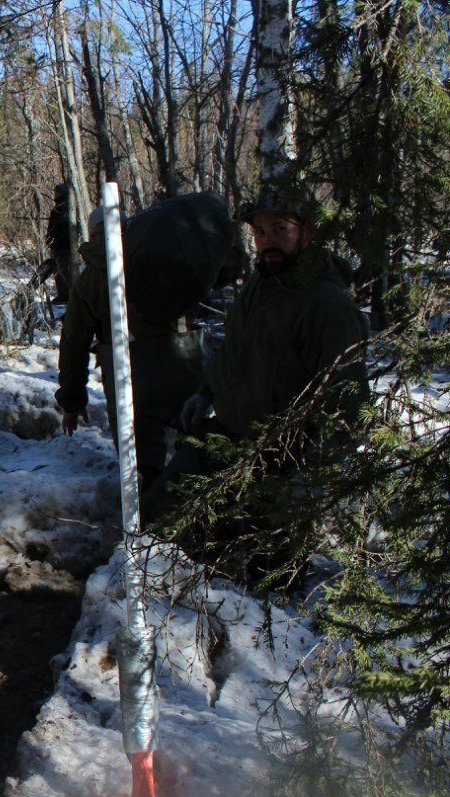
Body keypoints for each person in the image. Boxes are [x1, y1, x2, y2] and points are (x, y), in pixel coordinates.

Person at [143, 184, 370, 535]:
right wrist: (206, 392)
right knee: (155, 520)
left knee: (255, 573)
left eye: (280, 229)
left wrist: (309, 480)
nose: (267, 240)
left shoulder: (327, 306)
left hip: (281, 463)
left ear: (307, 231)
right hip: (227, 438)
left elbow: (347, 405)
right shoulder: (259, 284)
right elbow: (236, 352)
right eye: (260, 231)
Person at [54, 207, 207, 492]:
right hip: (184, 369)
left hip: (133, 380)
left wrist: (72, 402)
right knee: (194, 454)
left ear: (92, 235)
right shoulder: (165, 258)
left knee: (144, 467)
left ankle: (153, 523)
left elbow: (74, 343)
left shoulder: (90, 280)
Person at [45, 182, 73, 303]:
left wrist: (51, 239)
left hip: (62, 247)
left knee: (62, 272)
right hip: (62, 246)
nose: (55, 194)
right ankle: (64, 295)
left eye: (57, 192)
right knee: (62, 271)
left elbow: (53, 229)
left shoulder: (61, 209)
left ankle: (65, 296)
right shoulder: (63, 208)